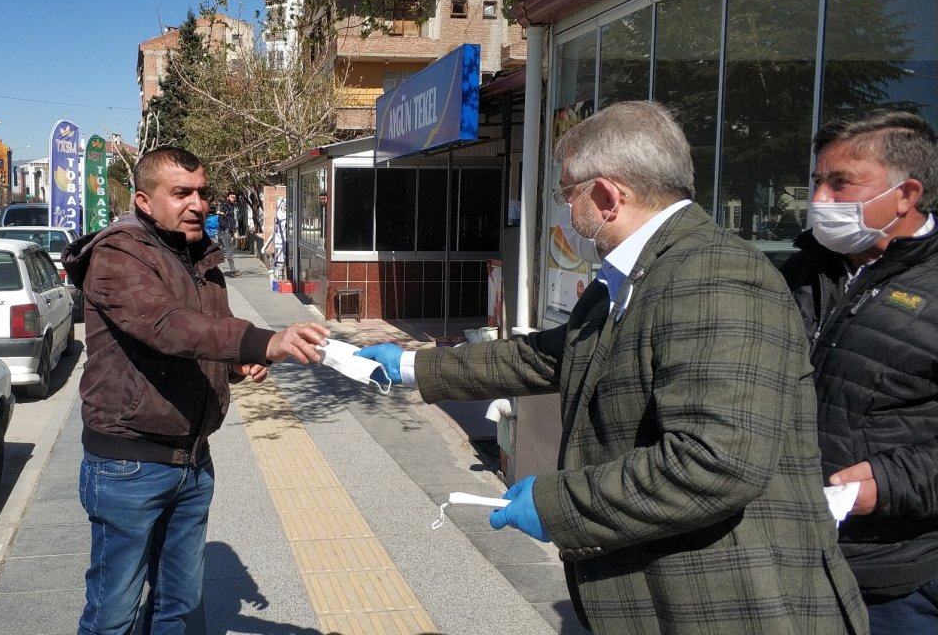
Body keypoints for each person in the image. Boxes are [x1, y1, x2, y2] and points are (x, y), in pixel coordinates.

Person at [358, 101, 867, 634]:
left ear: (605, 196)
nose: (566, 211)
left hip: (726, 606)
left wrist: (557, 505)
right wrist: (411, 365)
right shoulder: (635, 275)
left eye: (567, 195)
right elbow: (544, 355)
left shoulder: (715, 276)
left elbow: (714, 463)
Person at [62, 147, 328, 635]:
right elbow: (167, 326)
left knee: (181, 607)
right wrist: (263, 341)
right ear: (144, 201)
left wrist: (235, 363)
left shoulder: (199, 255)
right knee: (113, 616)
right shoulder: (117, 254)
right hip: (128, 464)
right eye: (181, 193)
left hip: (191, 458)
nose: (197, 204)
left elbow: (206, 335)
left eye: (202, 192)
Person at [780, 109, 938, 633]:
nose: (819, 199)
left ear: (906, 195)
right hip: (789, 555)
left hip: (894, 579)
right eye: (818, 181)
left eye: (840, 183)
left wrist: (890, 483)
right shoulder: (805, 269)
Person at [206, 200, 236, 276]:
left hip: (215, 234)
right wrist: (226, 228)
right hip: (223, 232)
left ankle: (212, 268)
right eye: (232, 197)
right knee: (229, 251)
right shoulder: (226, 207)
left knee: (218, 250)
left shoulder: (208, 218)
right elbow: (221, 220)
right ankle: (233, 271)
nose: (234, 199)